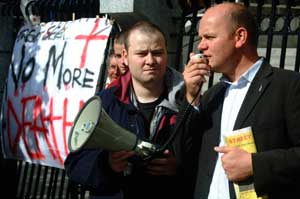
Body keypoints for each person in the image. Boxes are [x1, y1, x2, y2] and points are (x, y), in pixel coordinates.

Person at [179, 2, 300, 199]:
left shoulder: (288, 86)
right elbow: (184, 155)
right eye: (201, 38)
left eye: (209, 37)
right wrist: (191, 97)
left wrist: (255, 164)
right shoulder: (212, 95)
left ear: (240, 37)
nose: (201, 46)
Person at [65, 21, 185, 199]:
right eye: (142, 54)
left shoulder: (188, 101)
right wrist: (107, 164)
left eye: (158, 53)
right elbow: (74, 165)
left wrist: (180, 167)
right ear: (125, 57)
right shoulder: (106, 100)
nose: (150, 61)